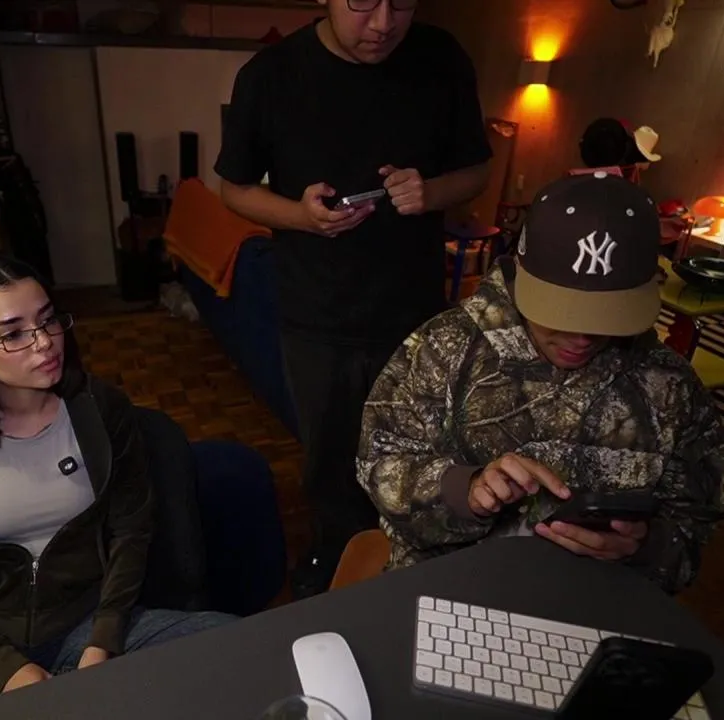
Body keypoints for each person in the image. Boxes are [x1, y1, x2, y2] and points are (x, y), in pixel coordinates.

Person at [215, 0, 493, 597]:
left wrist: (430, 191)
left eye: (402, 3)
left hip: (415, 312)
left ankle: (404, 563)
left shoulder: (442, 58)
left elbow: (476, 171)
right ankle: (335, 561)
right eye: (363, 2)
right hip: (316, 313)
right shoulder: (270, 74)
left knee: (417, 453)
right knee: (330, 461)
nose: (384, 23)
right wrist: (299, 216)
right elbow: (233, 188)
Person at [0, 255, 235, 719]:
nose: (45, 342)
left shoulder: (101, 409)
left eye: (48, 319)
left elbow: (131, 530)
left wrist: (103, 641)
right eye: (13, 334)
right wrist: (8, 670)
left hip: (87, 621)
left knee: (239, 653)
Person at [356, 174, 724, 594]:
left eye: (609, 316)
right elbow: (380, 463)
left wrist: (646, 547)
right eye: (562, 312)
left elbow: (700, 518)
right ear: (521, 272)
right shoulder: (444, 348)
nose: (583, 337)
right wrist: (466, 489)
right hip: (449, 587)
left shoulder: (670, 385)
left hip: (599, 599)